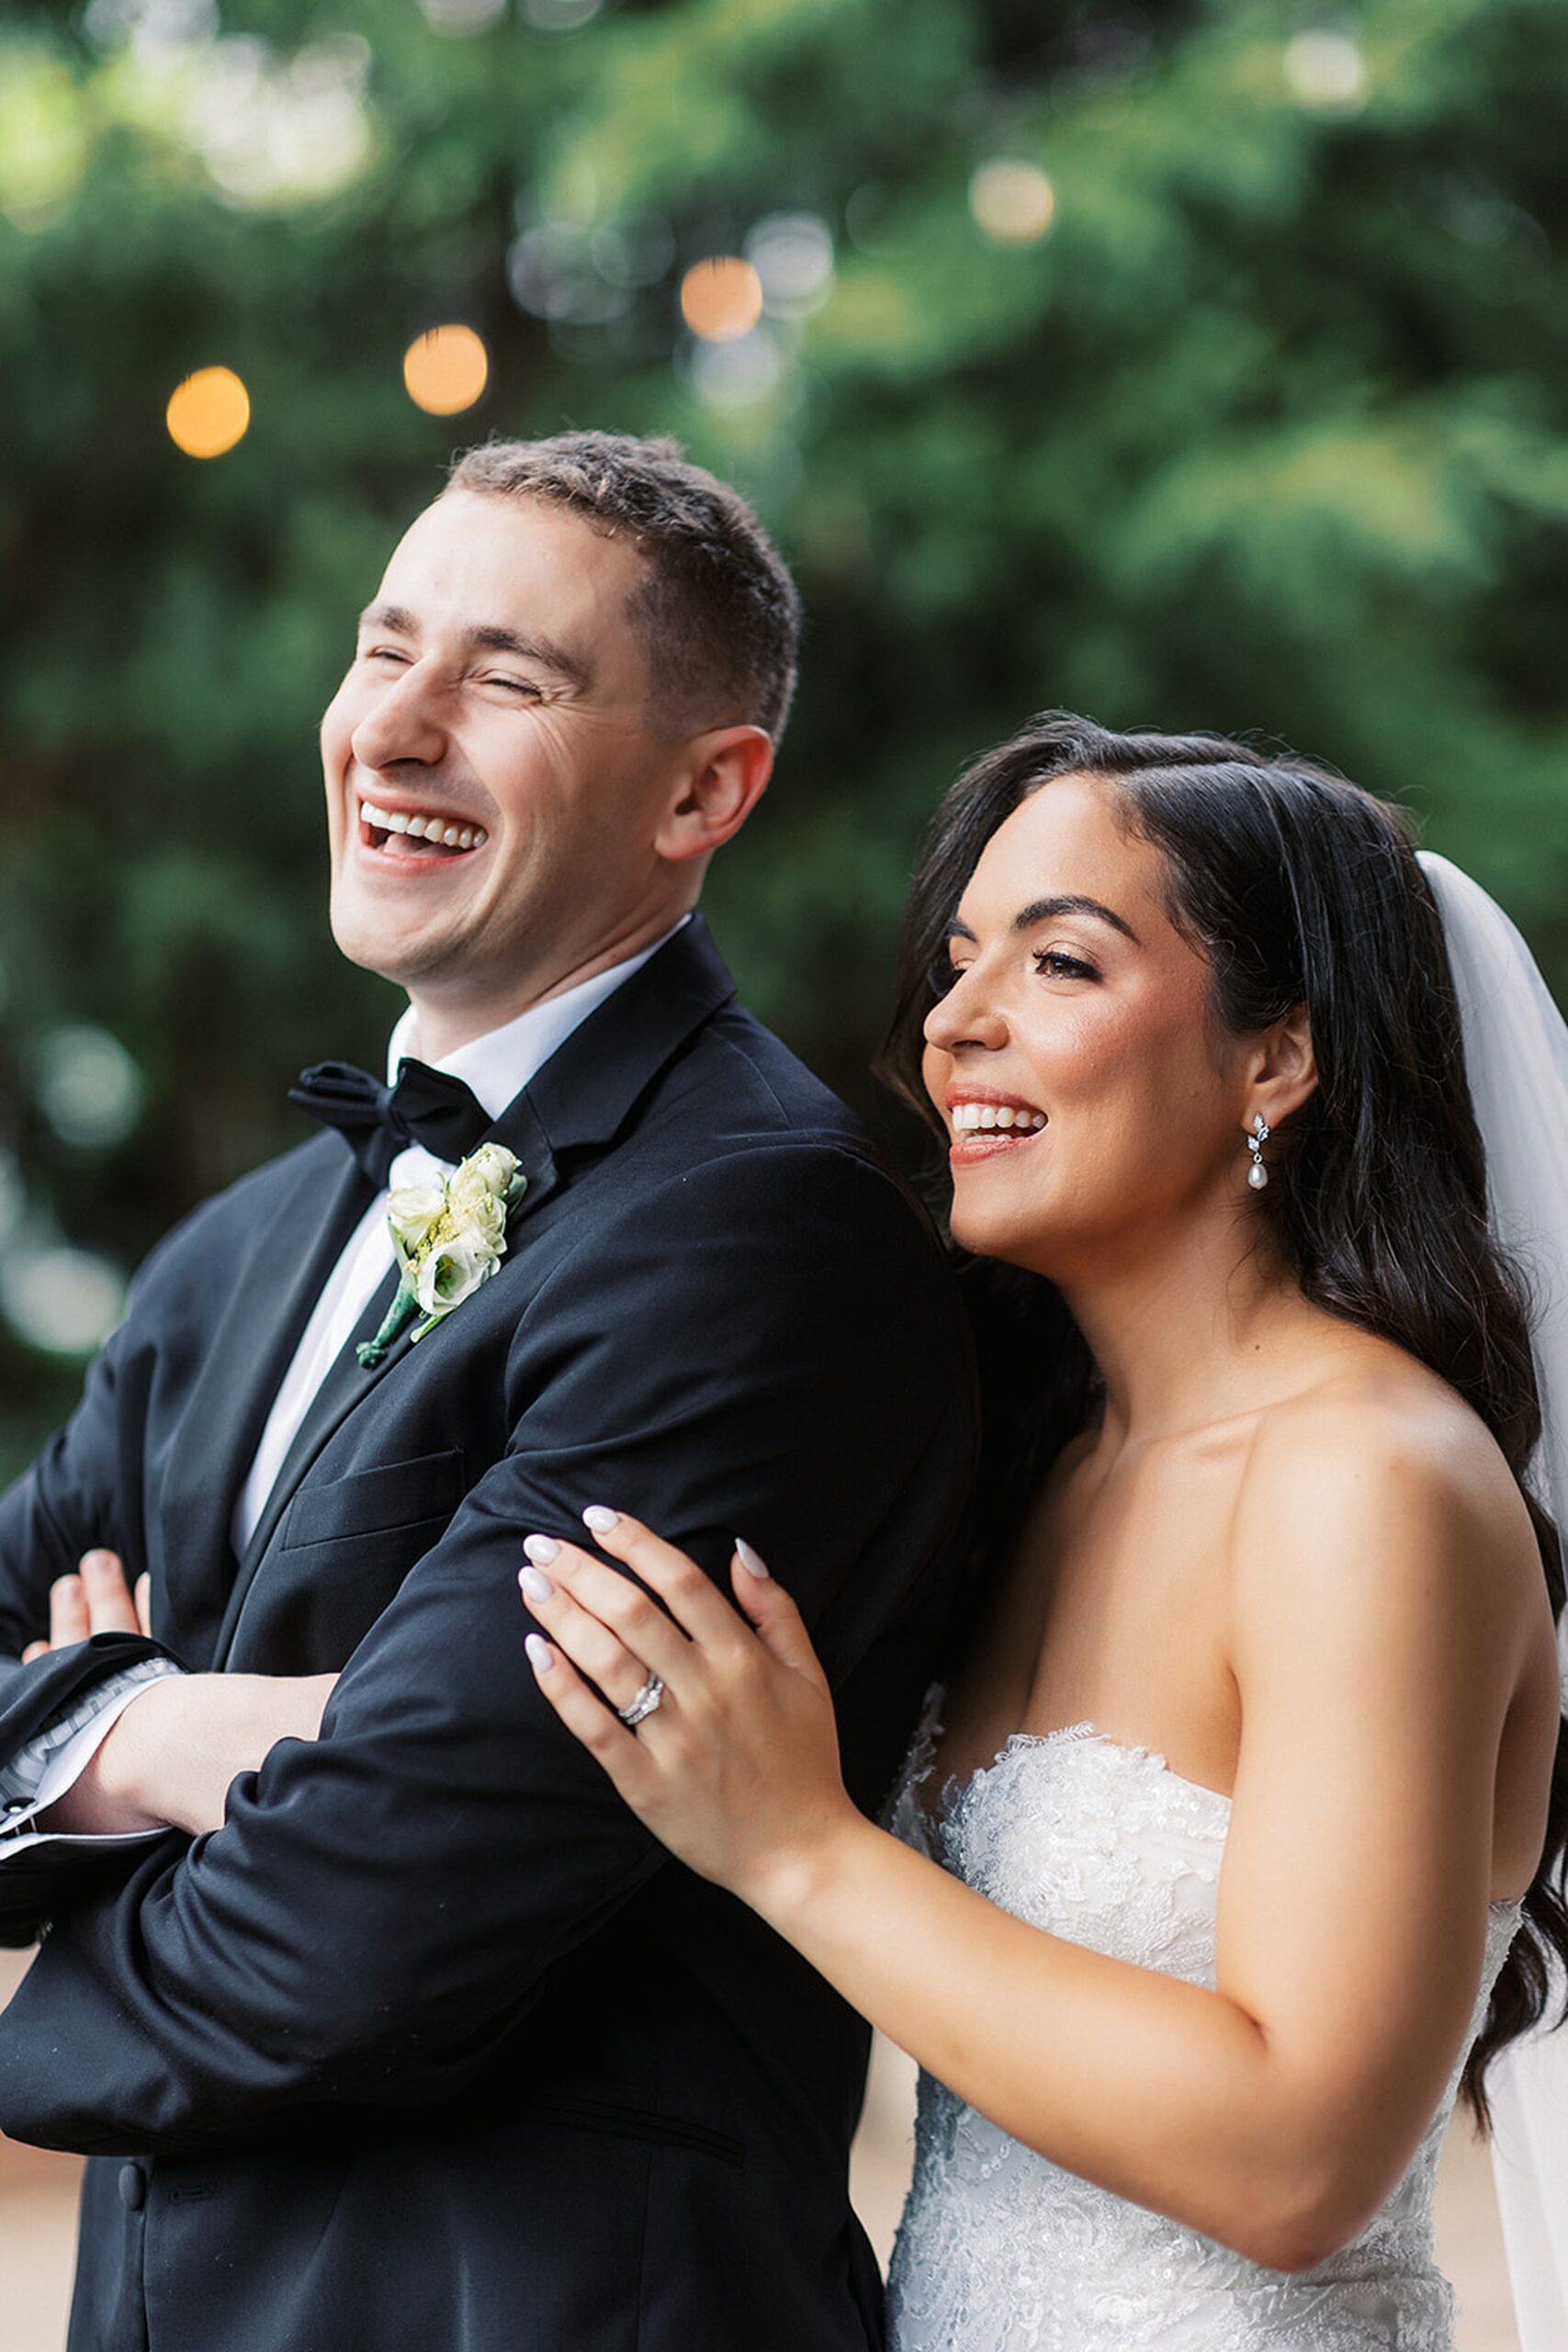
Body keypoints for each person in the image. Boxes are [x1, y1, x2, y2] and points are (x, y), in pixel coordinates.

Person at [0, 432, 976, 2352]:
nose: (398, 725)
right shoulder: (239, 1248)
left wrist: (50, 1813)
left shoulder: (760, 1235)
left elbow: (354, 1933)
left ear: (706, 785)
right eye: (384, 651)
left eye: (507, 679)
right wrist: (141, 1734)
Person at [516, 716, 1568, 2350]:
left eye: (1058, 965)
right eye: (955, 964)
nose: (954, 1024)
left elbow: (1302, 2160)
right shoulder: (1031, 1470)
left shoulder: (1371, 1480)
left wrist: (801, 1847)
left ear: (1275, 1056)